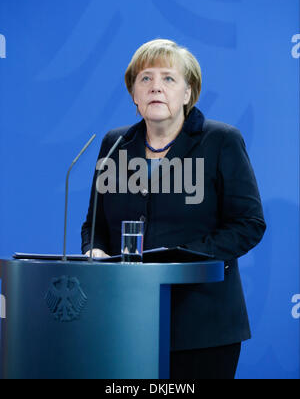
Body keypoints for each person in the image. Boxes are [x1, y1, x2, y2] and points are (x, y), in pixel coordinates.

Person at [81, 39, 266, 379]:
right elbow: (94, 224)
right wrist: (94, 251)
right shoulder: (115, 143)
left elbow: (248, 224)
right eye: (145, 79)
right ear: (134, 95)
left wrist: (177, 258)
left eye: (168, 78)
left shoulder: (221, 141)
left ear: (188, 93)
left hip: (202, 324)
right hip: (125, 322)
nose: (156, 87)